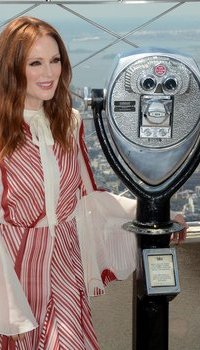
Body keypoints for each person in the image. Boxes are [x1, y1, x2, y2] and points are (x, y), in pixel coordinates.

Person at [0, 16, 186, 350]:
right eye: (35, 63)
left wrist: (154, 216)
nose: (49, 73)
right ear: (12, 68)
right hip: (13, 273)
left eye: (55, 60)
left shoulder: (67, 123)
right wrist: (8, 311)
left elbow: (87, 198)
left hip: (64, 265)